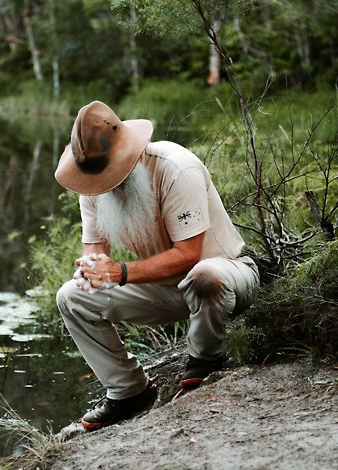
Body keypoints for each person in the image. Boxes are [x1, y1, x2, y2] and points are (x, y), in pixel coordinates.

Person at [54, 100, 260, 431]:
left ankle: (205, 359)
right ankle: (127, 391)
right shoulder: (91, 184)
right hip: (167, 290)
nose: (104, 185)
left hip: (228, 276)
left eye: (111, 175)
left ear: (128, 154)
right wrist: (91, 269)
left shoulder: (176, 168)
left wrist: (120, 273)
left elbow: (189, 254)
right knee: (71, 296)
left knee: (204, 277)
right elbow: (95, 250)